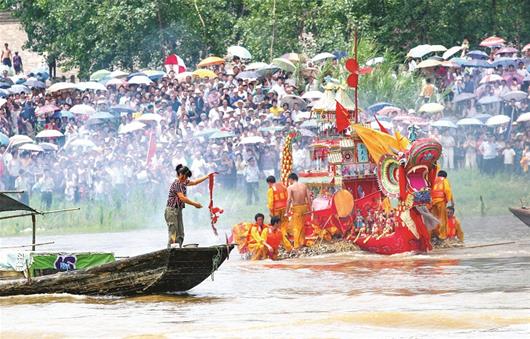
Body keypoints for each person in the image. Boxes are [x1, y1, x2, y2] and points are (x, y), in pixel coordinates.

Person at [165, 164, 209, 248]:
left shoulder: (184, 182)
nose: (185, 178)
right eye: (184, 176)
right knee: (173, 232)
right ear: (180, 174)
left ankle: (178, 250)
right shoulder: (177, 183)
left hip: (178, 210)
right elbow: (182, 198)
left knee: (180, 233)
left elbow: (195, 182)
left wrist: (207, 176)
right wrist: (195, 204)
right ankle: (170, 252)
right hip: (171, 210)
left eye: (186, 177)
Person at [285, 173, 311, 249]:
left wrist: (286, 211)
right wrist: (310, 209)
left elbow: (289, 200)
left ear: (291, 179)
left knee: (296, 227)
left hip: (297, 208)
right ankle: (302, 242)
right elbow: (309, 198)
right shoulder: (304, 186)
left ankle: (296, 245)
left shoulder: (290, 187)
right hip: (304, 207)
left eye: (289, 180)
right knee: (302, 225)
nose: (289, 181)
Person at [430, 170, 454, 240]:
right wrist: (449, 200)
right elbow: (447, 190)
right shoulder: (445, 180)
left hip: (433, 202)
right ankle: (442, 236)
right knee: (442, 218)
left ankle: (434, 235)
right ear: (445, 176)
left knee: (435, 218)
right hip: (441, 201)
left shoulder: (433, 180)